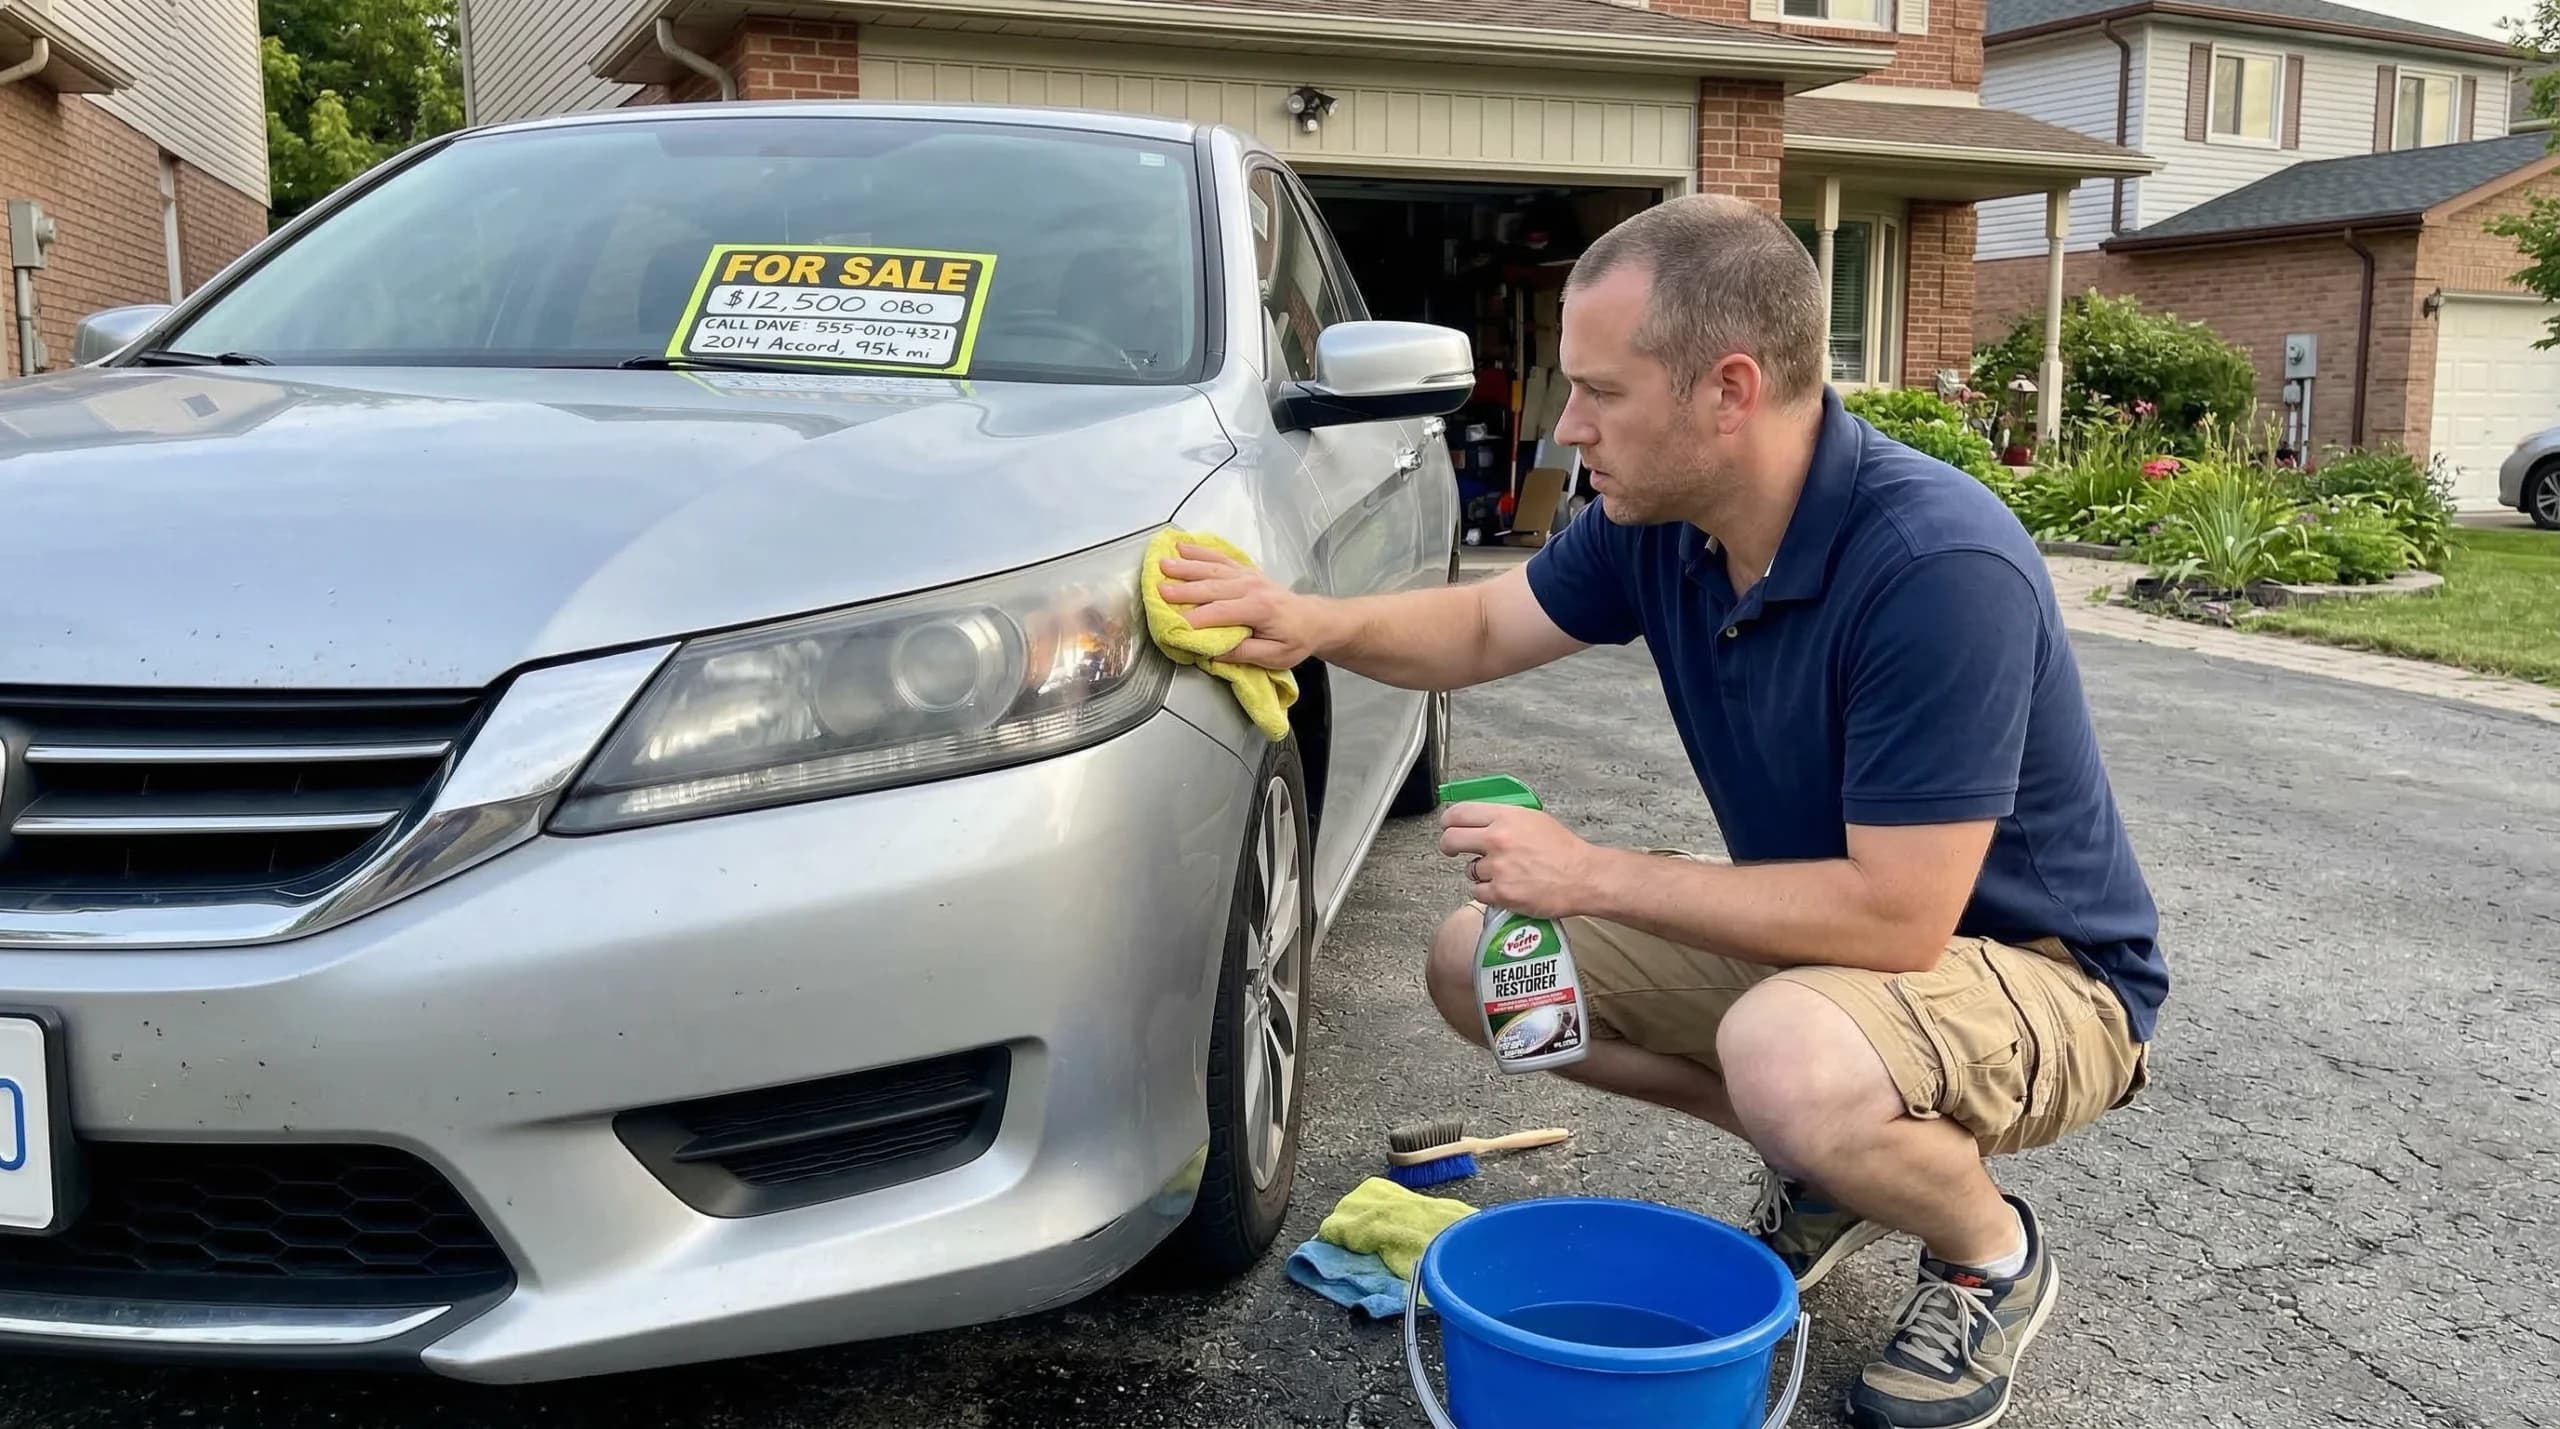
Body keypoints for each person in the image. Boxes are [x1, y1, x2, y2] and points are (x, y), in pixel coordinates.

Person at [1156, 192, 2166, 1429]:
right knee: (1486, 969)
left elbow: (1900, 918)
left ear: (1727, 389)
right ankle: (1834, 1166)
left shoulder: (1933, 566)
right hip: (1834, 962)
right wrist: (1305, 623)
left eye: (1601, 391)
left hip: (2043, 979)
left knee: (1785, 1053)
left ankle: (1986, 1250)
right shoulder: (1663, 527)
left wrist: (1589, 873)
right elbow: (1480, 623)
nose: (1567, 424)